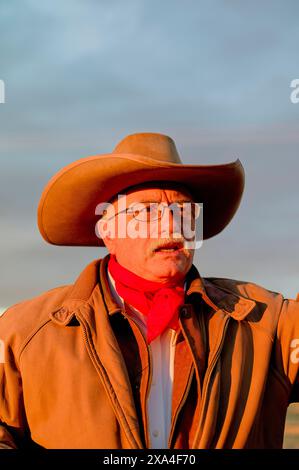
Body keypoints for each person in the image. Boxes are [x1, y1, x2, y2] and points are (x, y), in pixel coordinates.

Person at [0, 132, 298, 449]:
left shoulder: (267, 321)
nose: (171, 226)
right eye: (147, 212)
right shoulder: (25, 333)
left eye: (183, 211)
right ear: (108, 232)